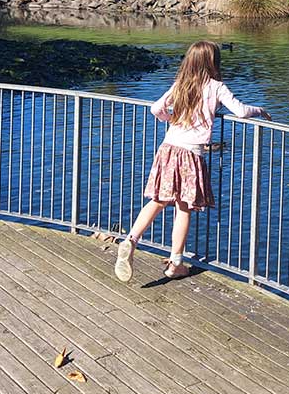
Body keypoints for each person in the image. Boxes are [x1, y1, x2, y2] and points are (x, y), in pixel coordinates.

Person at [115, 40, 269, 282]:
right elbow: (240, 111)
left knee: (158, 200)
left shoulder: (181, 84)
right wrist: (259, 110)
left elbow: (156, 109)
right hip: (190, 154)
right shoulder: (216, 87)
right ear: (213, 62)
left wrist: (169, 118)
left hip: (168, 149)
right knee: (183, 208)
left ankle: (131, 239)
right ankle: (175, 263)